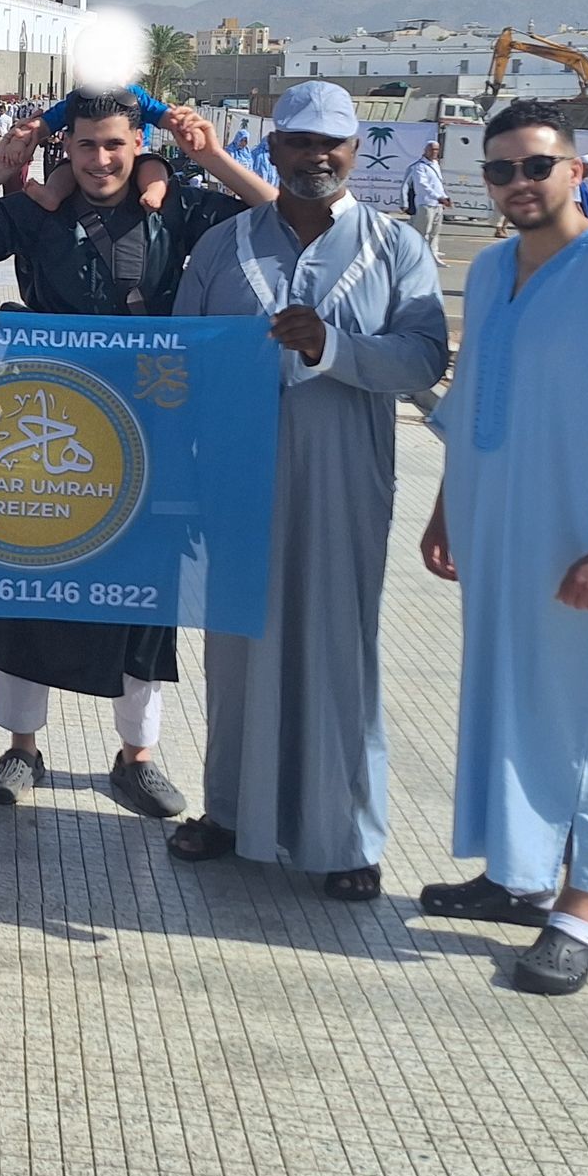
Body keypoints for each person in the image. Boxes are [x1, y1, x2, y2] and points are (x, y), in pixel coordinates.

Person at [0, 92, 275, 820]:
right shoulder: (38, 211)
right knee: (27, 584)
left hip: (149, 431)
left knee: (143, 593)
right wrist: (3, 165)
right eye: (86, 146)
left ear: (137, 142)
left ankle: (138, 757)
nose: (101, 161)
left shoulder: (176, 206)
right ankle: (21, 748)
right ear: (69, 148)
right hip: (45, 428)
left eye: (116, 146)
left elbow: (278, 218)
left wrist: (207, 157)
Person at [418, 100, 588, 994]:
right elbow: (470, 407)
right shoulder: (491, 273)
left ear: (579, 171)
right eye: (500, 171)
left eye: (536, 166)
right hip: (496, 533)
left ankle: (579, 907)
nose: (519, 185)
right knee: (504, 695)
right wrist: (449, 511)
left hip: (583, 533)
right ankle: (515, 876)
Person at [168, 81, 448, 900]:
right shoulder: (222, 247)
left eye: (333, 144)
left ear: (355, 152)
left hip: (341, 475)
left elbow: (425, 358)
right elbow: (177, 359)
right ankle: (229, 812)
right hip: (236, 472)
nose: (315, 157)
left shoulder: (396, 248)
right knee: (237, 645)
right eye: (298, 142)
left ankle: (345, 835)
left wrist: (334, 347)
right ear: (275, 148)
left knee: (336, 646)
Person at [404, 139, 450, 264]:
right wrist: (438, 197)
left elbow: (438, 184)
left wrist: (444, 198)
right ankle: (414, 256)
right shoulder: (419, 167)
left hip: (437, 205)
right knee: (421, 232)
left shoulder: (435, 164)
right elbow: (423, 185)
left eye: (436, 149)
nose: (434, 152)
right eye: (432, 149)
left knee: (435, 233)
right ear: (425, 150)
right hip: (425, 204)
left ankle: (433, 256)